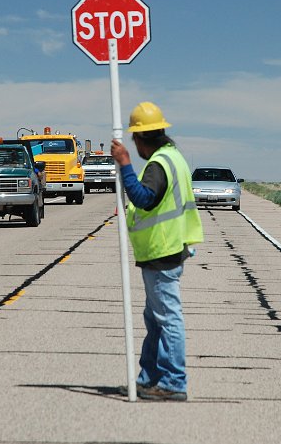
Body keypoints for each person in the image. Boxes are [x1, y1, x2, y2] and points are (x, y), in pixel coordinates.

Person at [110, 101, 203, 402]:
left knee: (167, 318)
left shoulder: (159, 164)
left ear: (140, 139)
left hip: (162, 251)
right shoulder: (174, 157)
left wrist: (124, 164)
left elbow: (144, 197)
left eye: (134, 140)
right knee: (155, 318)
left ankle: (173, 382)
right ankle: (149, 378)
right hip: (170, 248)